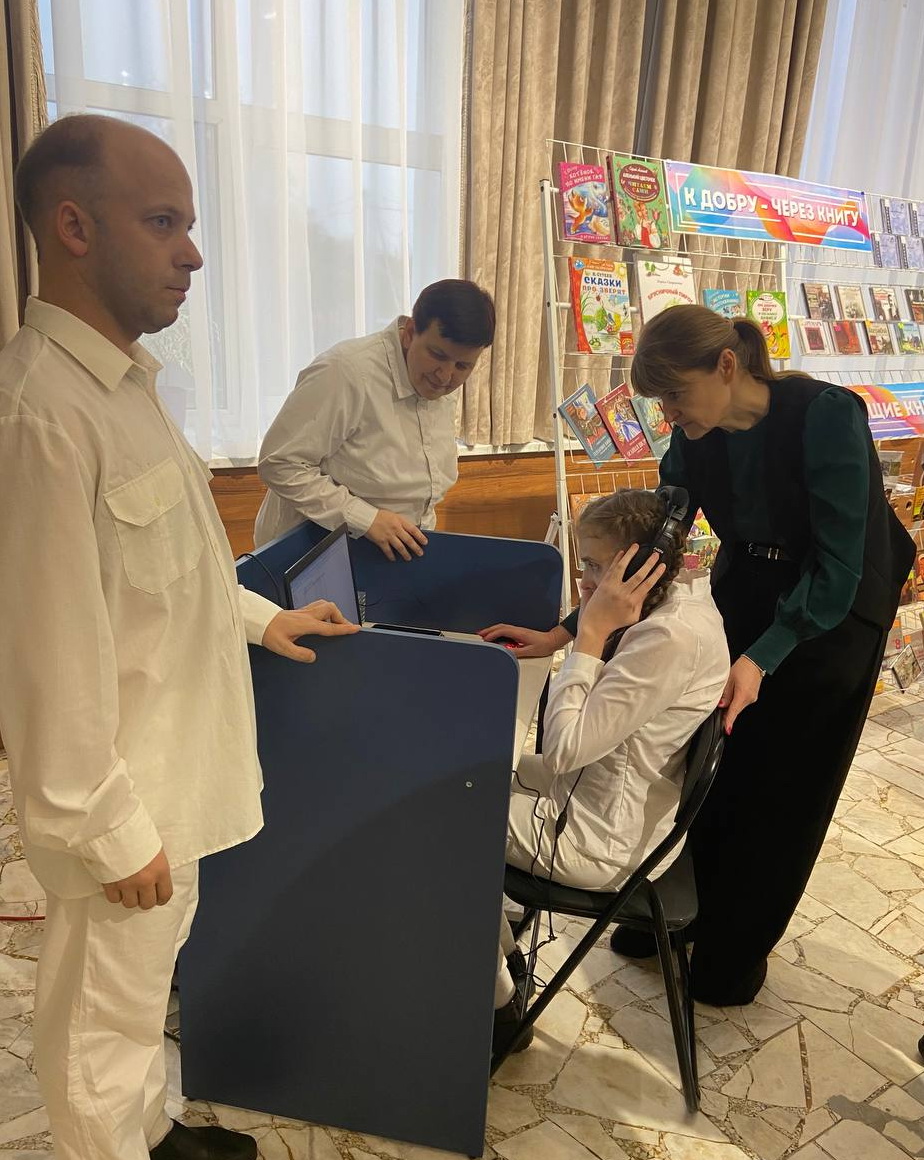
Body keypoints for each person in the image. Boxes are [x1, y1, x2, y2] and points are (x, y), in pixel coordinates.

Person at [0, 114, 359, 1160]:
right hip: (121, 792)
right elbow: (46, 657)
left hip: (178, 763)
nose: (193, 253)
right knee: (102, 999)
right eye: (163, 222)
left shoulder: (125, 385)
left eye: (189, 224)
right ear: (73, 226)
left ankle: (146, 1130)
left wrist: (263, 616)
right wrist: (107, 830)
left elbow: (174, 569)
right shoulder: (39, 412)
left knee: (145, 980)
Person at [491, 306, 914, 1006]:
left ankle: (731, 957)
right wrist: (568, 630)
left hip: (833, 613)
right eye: (659, 401)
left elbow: (838, 568)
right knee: (705, 763)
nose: (668, 413)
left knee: (780, 791)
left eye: (675, 395)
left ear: (726, 366)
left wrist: (762, 658)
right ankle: (670, 916)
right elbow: (648, 552)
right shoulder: (695, 438)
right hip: (749, 586)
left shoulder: (825, 416)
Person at [491, 490, 729, 1056]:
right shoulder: (683, 601)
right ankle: (499, 954)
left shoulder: (669, 639)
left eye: (597, 567)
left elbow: (564, 750)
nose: (585, 582)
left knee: (439, 818)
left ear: (643, 568)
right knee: (462, 776)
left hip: (599, 840)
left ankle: (499, 1004)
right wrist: (571, 636)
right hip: (600, 794)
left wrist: (590, 637)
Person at [254, 279, 495, 561]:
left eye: (462, 366)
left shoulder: (437, 381)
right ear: (410, 333)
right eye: (437, 355)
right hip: (311, 557)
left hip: (390, 556)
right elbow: (279, 463)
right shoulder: (346, 371)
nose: (445, 376)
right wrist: (366, 519)